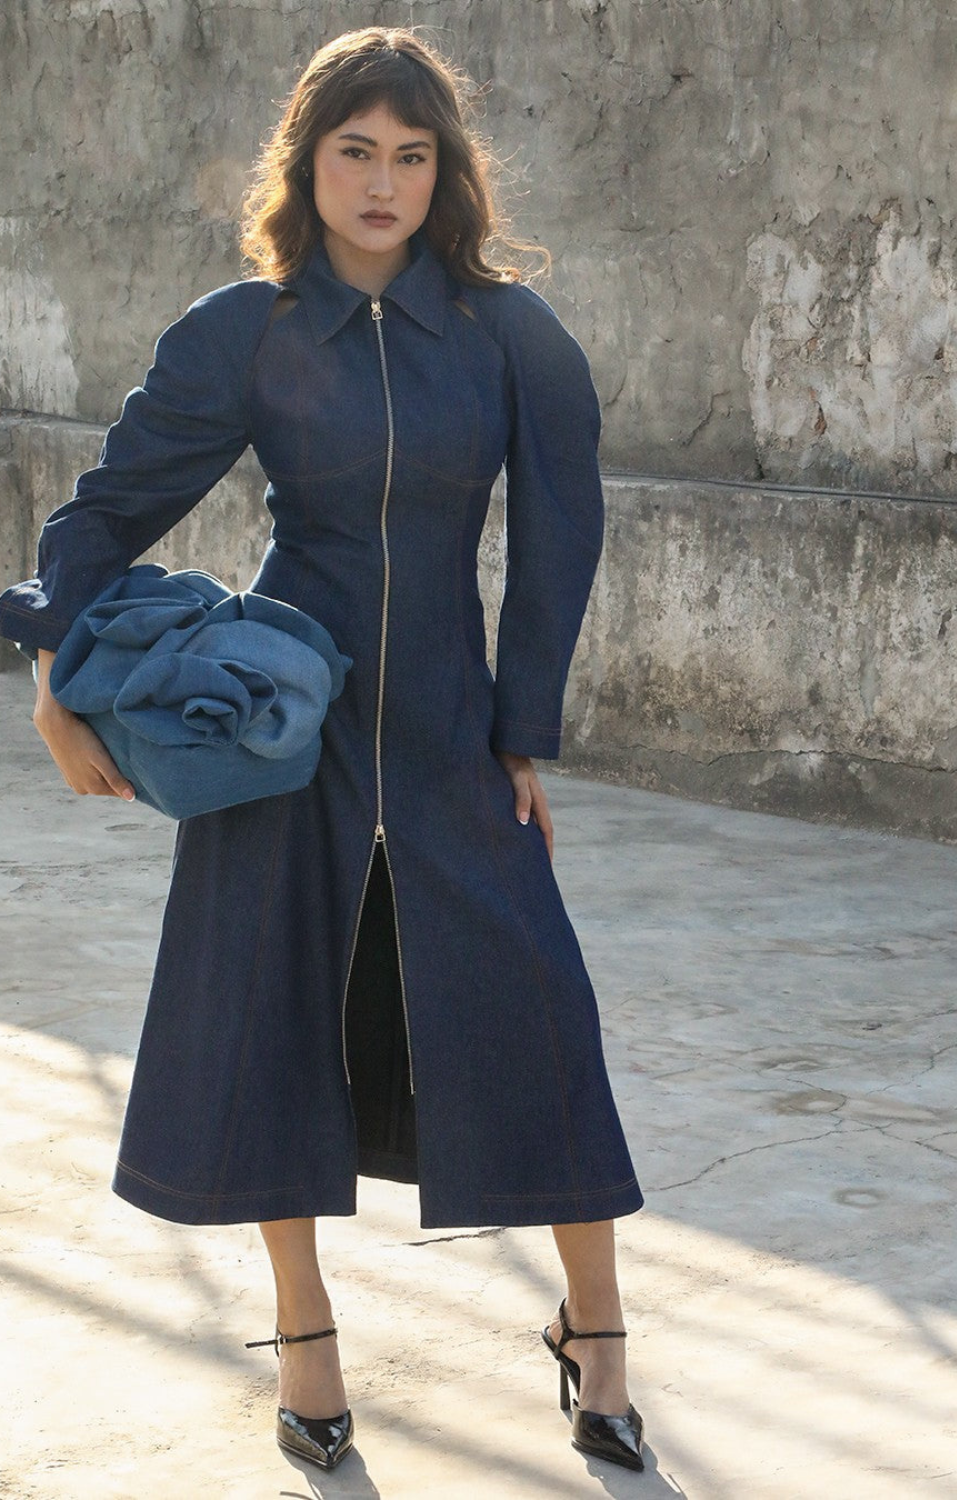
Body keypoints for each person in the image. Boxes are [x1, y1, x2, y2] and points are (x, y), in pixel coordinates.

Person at [0, 26, 646, 1475]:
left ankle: (596, 1334)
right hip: (279, 726)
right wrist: (54, 673)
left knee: (538, 1016)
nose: (383, 182)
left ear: (445, 173)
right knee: (268, 1018)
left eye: (412, 155)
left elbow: (562, 538)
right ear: (308, 164)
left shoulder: (509, 335)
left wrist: (523, 733)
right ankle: (305, 1334)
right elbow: (109, 510)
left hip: (449, 730)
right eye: (355, 152)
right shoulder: (249, 328)